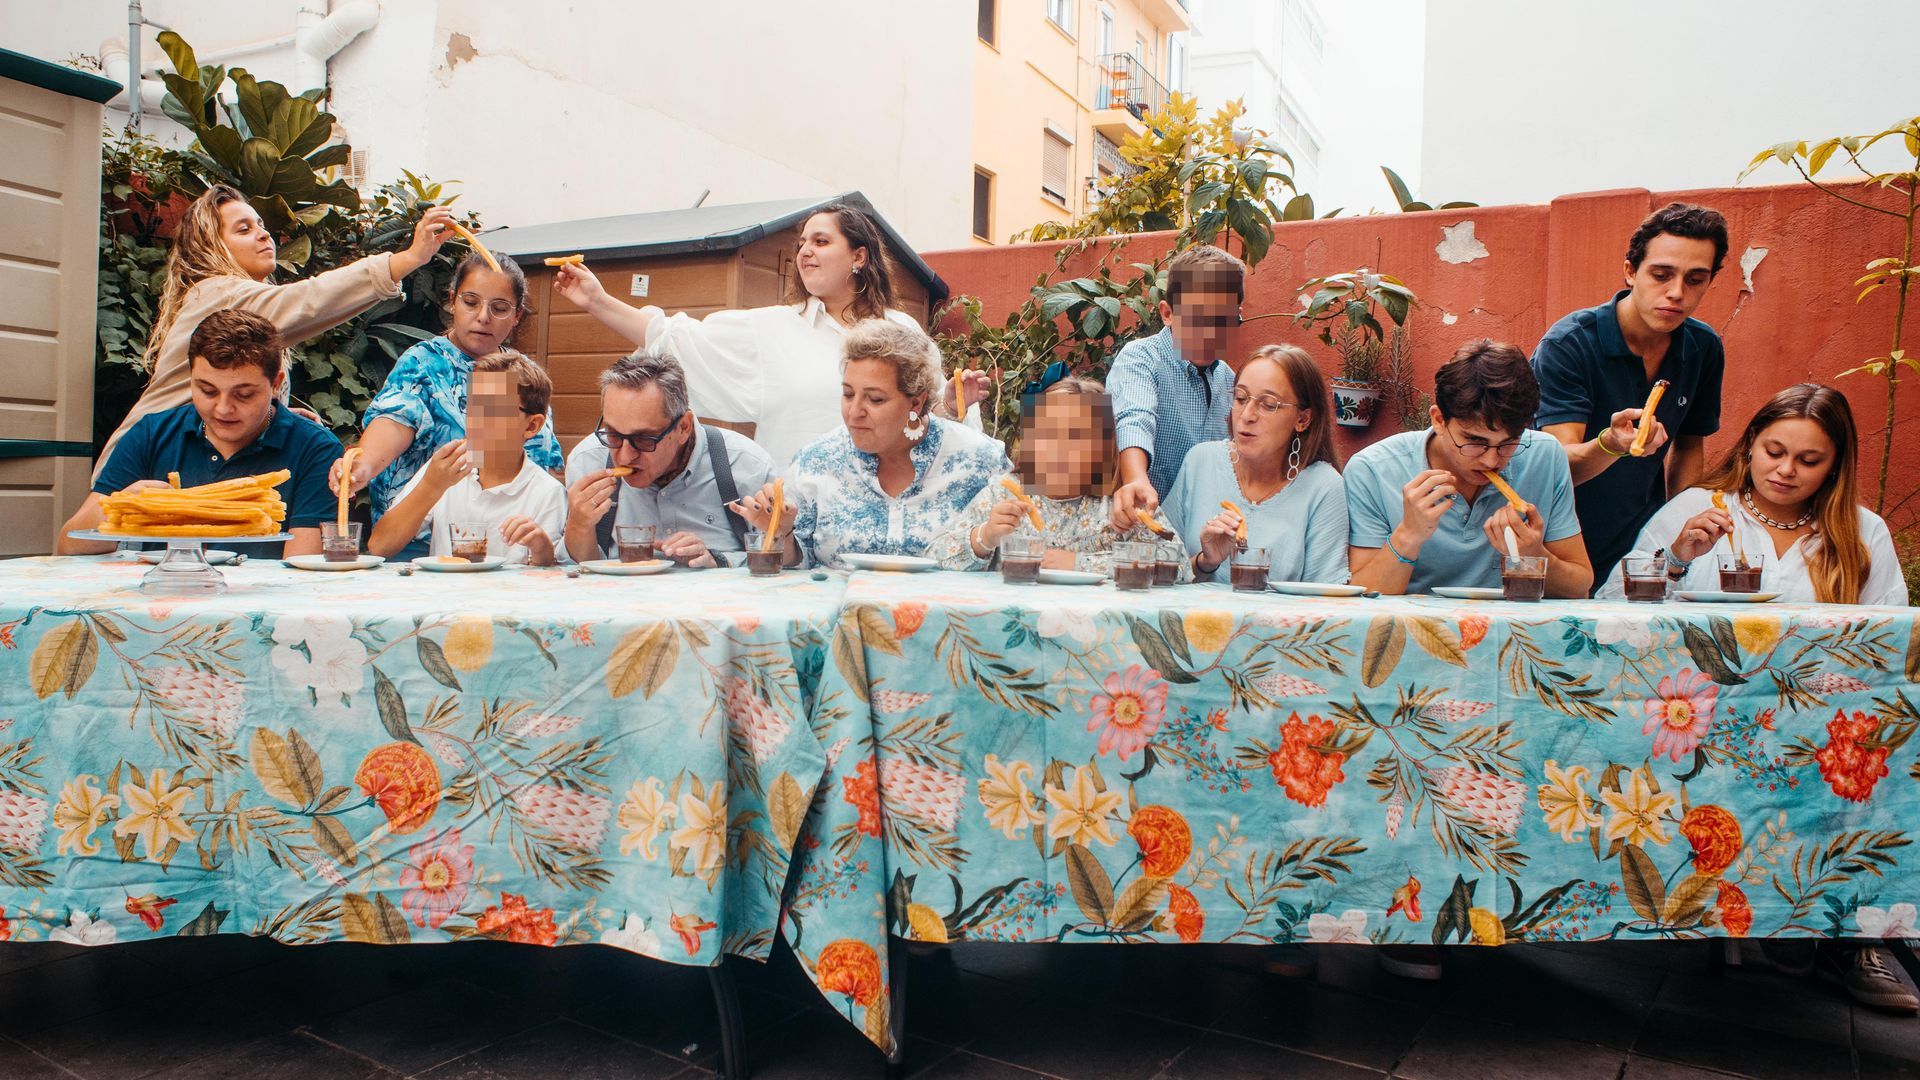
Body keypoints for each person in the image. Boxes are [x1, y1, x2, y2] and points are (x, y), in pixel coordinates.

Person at [551, 203, 987, 468]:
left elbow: (926, 419)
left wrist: (951, 405)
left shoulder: (902, 330)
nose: (805, 252)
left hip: (889, 506)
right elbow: (674, 338)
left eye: (820, 241)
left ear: (859, 256)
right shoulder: (771, 329)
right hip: (794, 514)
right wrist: (597, 301)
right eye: (801, 244)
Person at [97, 183, 457, 473]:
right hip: (142, 466)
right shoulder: (219, 293)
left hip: (178, 463)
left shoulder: (231, 297)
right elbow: (310, 300)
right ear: (212, 246)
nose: (263, 235)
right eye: (244, 229)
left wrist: (268, 415)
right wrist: (411, 257)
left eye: (260, 225)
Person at [1533, 203, 1730, 586]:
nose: (1677, 293)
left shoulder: (1703, 347)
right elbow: (1556, 467)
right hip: (1560, 542)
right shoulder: (1569, 344)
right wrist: (1610, 444)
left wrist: (1679, 526)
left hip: (1642, 546)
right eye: (1661, 275)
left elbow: (1689, 446)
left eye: (1695, 279)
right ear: (1630, 271)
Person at [61, 309, 343, 559]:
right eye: (207, 391)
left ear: (276, 384)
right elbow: (69, 545)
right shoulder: (152, 433)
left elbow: (300, 568)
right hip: (165, 592)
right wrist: (124, 502)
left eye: (244, 394)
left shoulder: (314, 448)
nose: (223, 408)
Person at [333, 253, 564, 556]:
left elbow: (547, 464)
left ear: (517, 314)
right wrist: (360, 468)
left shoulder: (524, 375)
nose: (483, 317)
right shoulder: (424, 362)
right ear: (452, 301)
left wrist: (546, 541)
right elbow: (394, 421)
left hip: (514, 555)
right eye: (471, 302)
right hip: (418, 549)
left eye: (499, 308)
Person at [733, 320, 1009, 569]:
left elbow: (1019, 555)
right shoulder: (816, 461)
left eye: (875, 399)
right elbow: (798, 561)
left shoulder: (980, 460)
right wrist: (781, 534)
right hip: (839, 610)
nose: (854, 412)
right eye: (847, 394)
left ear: (916, 402)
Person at [1598, 384, 1906, 606]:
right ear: (1751, 443)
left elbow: (1892, 638)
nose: (1786, 469)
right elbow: (1611, 609)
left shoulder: (1863, 530)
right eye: (1774, 452)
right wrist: (1675, 560)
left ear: (1835, 465)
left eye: (1809, 461)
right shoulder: (1695, 507)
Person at [1348, 339, 1592, 599]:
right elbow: (1364, 596)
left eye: (1509, 442)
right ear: (1439, 420)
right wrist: (1408, 534)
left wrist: (1533, 555)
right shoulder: (1372, 470)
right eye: (1474, 441)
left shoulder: (1545, 456)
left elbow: (1579, 588)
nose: (1491, 461)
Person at [927, 374, 1185, 577]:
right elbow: (934, 558)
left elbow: (1180, 565)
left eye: (1077, 437)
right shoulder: (1003, 493)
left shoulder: (1119, 504)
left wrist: (1080, 564)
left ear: (1103, 449)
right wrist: (984, 537)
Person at [562, 348, 776, 567]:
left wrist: (719, 560)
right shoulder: (588, 461)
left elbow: (779, 563)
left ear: (683, 427)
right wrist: (578, 526)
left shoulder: (746, 465)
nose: (625, 456)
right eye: (613, 434)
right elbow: (572, 570)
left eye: (644, 439)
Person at [1163, 345, 1347, 586]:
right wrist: (1205, 562)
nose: (1246, 415)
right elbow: (1157, 571)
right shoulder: (1201, 461)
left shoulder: (1323, 486)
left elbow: (1326, 596)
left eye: (1268, 404)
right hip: (1188, 612)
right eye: (1240, 398)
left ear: (1302, 419)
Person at [367, 350, 566, 565]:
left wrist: (540, 547)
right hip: (446, 586)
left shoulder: (547, 492)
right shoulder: (447, 469)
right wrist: (430, 486)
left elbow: (548, 573)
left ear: (532, 426)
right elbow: (380, 547)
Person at [1109, 244, 1246, 531]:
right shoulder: (1141, 358)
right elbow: (1134, 418)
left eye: (1225, 320)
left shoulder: (1230, 381)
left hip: (1207, 538)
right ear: (1168, 313)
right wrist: (1136, 479)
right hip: (1143, 526)